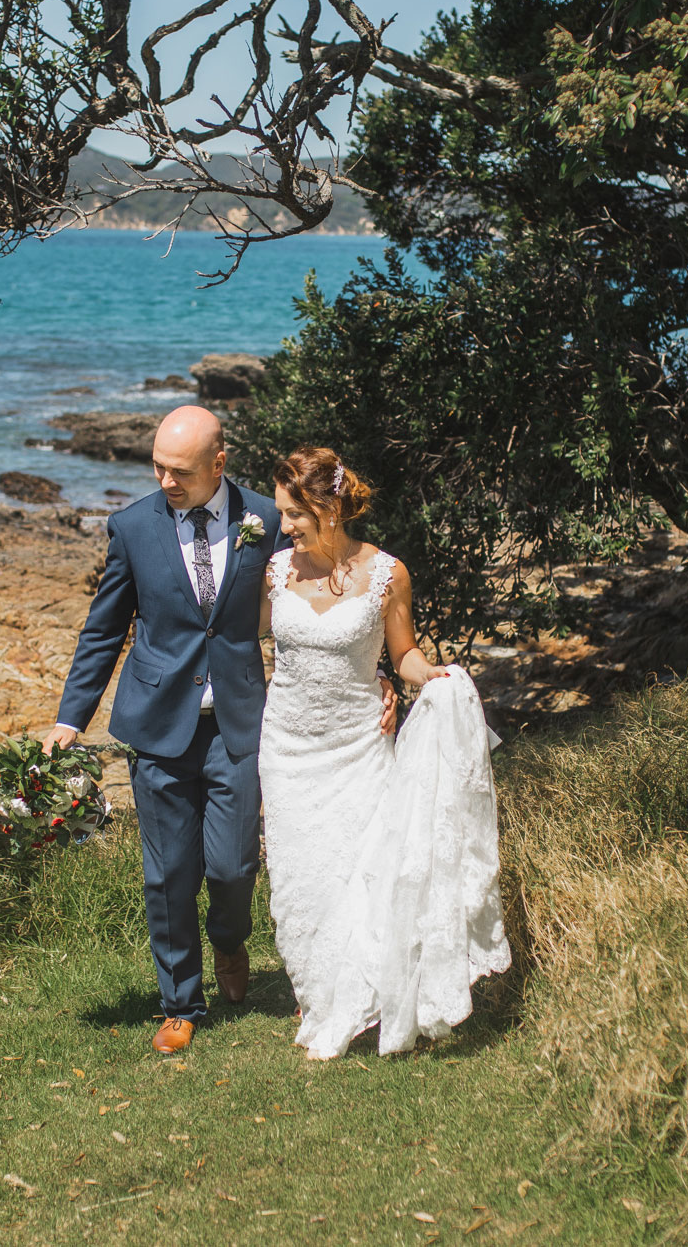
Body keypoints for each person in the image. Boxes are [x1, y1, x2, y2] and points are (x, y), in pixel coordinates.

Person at [44, 408, 395, 1055]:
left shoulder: (269, 519)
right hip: (155, 725)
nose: (165, 479)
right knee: (168, 872)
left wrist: (379, 673)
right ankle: (181, 1000)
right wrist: (71, 716)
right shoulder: (131, 528)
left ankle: (230, 939)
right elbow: (104, 627)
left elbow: (329, 593)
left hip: (241, 720)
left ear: (219, 465)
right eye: (158, 466)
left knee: (233, 864)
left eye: (179, 470)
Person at [260, 446, 510, 1059]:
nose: (285, 526)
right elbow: (238, 645)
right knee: (299, 878)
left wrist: (433, 679)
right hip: (286, 746)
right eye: (282, 514)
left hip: (359, 743)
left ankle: (366, 991)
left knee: (361, 869)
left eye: (295, 513)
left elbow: (403, 656)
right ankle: (318, 993)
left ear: (330, 506)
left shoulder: (387, 574)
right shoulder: (271, 571)